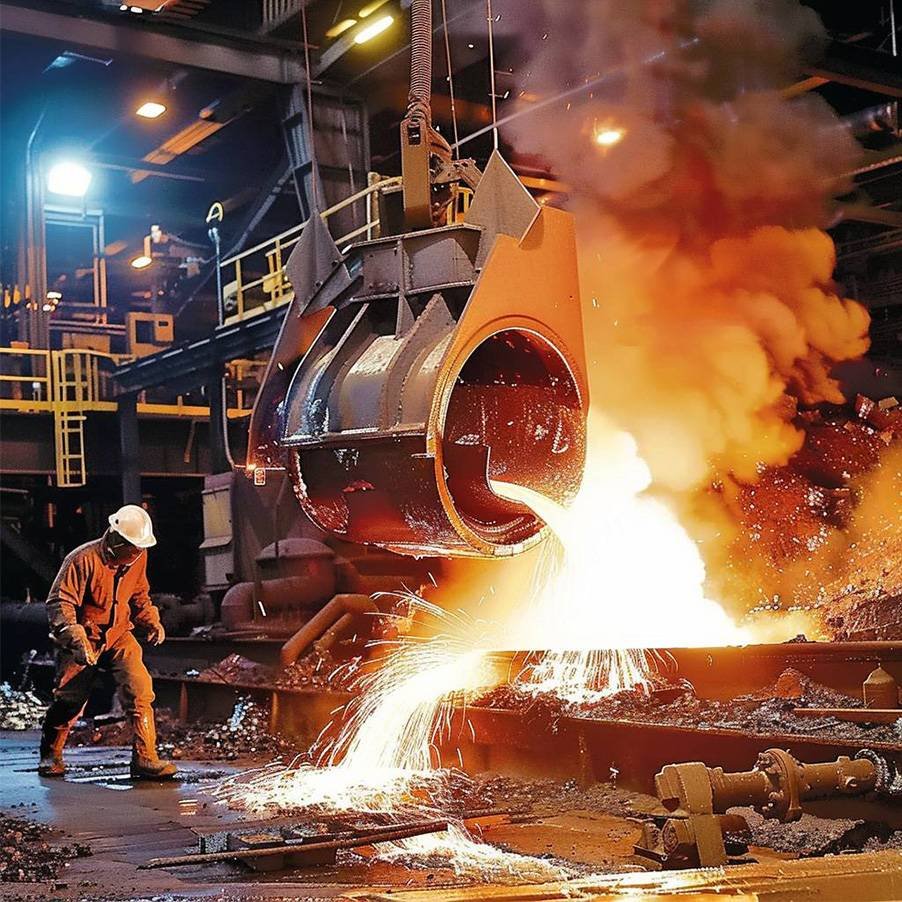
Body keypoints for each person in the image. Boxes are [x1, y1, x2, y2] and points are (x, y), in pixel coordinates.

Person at [38, 505, 177, 780]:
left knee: (139, 689)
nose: (137, 554)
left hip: (118, 635)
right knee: (70, 700)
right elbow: (60, 602)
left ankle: (145, 759)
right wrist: (75, 638)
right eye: (133, 549)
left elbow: (140, 594)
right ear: (117, 540)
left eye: (140, 549)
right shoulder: (82, 560)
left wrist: (151, 620)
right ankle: (51, 754)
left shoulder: (137, 556)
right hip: (83, 638)